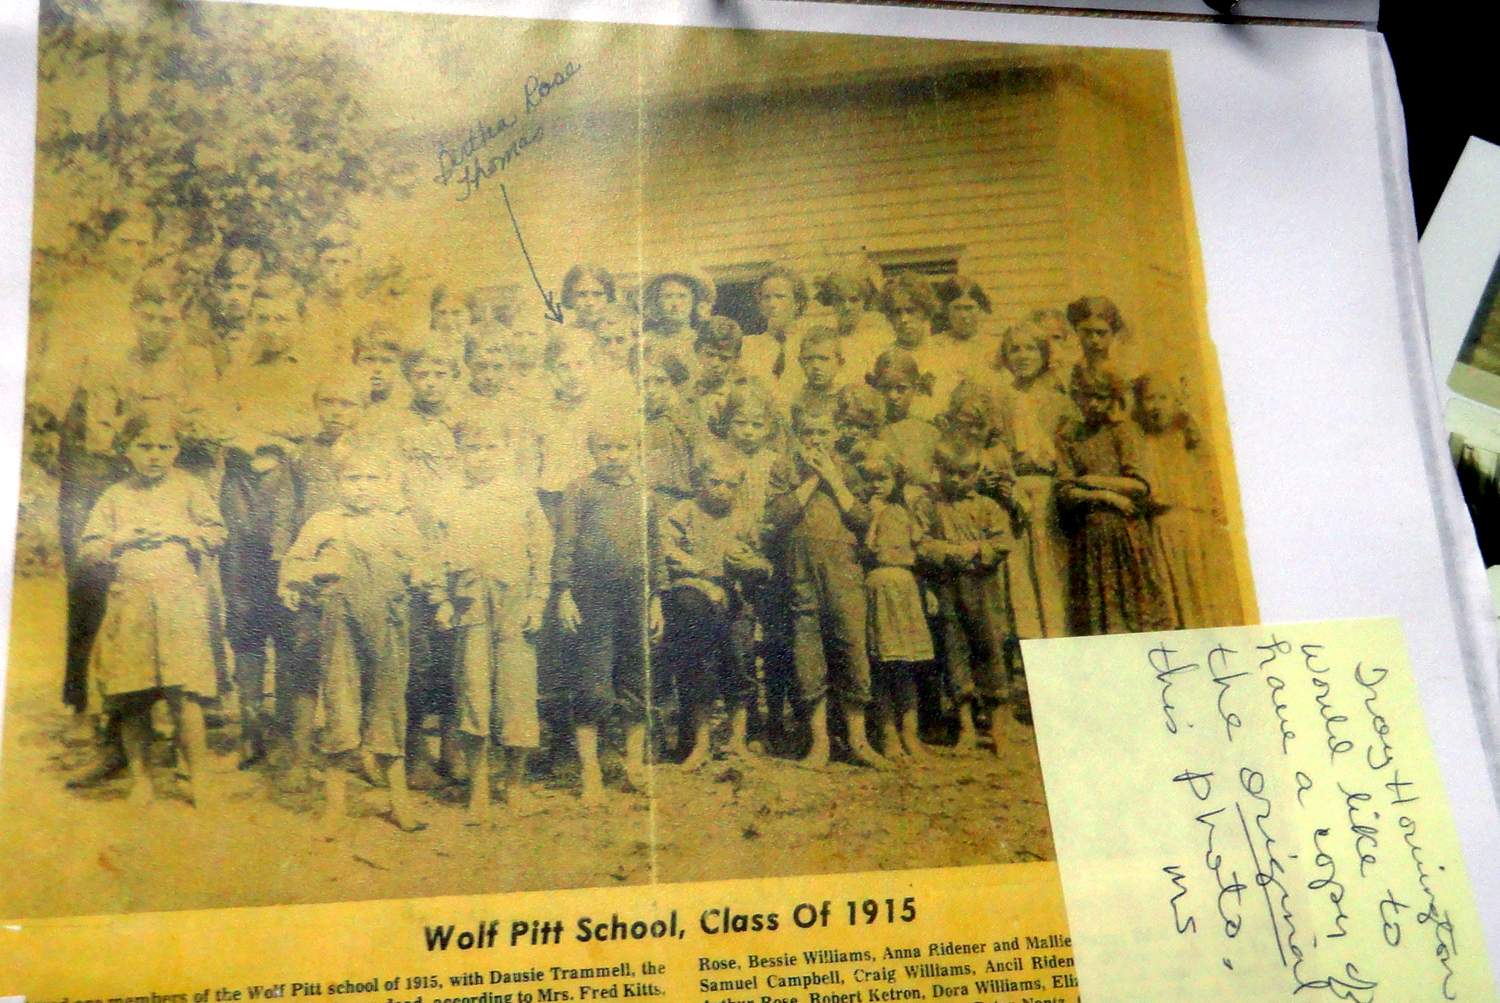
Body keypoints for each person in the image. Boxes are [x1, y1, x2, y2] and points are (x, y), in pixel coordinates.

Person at [279, 440, 438, 832]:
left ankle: (400, 803)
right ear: (338, 482)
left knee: (389, 707)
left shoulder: (398, 521)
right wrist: (317, 570)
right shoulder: (324, 521)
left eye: (372, 478)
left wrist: (419, 572)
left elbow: (425, 564)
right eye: (353, 478)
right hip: (339, 629)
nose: (362, 486)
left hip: (388, 624)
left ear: (388, 482)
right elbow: (291, 567)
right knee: (340, 707)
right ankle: (335, 808)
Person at [80, 407, 225, 807]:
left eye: (164, 446)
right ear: (127, 449)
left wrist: (184, 531)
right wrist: (120, 540)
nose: (154, 455)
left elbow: (217, 533)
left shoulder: (191, 488)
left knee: (185, 695)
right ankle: (141, 778)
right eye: (144, 447)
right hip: (131, 603)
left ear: (177, 450)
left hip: (179, 601)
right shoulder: (115, 496)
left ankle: (199, 778)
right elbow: (89, 549)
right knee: (133, 695)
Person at [765, 399, 887, 770]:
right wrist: (813, 479)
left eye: (822, 433)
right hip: (801, 573)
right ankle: (819, 743)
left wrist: (833, 478)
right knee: (808, 654)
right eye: (808, 433)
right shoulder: (785, 469)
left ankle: (858, 740)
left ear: (834, 434)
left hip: (844, 572)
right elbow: (778, 516)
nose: (815, 441)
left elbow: (864, 519)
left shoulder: (849, 471)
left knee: (851, 647)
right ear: (796, 435)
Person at [443, 419, 553, 822]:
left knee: (517, 692)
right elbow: (437, 551)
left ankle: (515, 784)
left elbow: (542, 550)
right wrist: (441, 598)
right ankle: (479, 788)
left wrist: (538, 601)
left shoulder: (521, 496)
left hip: (514, 602)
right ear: (460, 455)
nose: (483, 457)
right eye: (473, 449)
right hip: (470, 605)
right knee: (473, 691)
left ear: (507, 451)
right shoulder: (451, 496)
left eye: (491, 447)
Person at [553, 414, 665, 802]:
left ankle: (634, 765)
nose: (614, 456)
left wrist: (656, 599)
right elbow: (565, 543)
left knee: (636, 682)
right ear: (592, 451)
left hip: (635, 598)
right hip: (591, 599)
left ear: (635, 450)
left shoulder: (644, 494)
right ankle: (591, 773)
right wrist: (563, 592)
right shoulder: (579, 490)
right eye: (605, 448)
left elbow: (655, 551)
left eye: (622, 447)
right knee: (593, 685)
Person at [662, 451, 768, 769]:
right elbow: (664, 545)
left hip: (735, 598)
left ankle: (738, 739)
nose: (722, 490)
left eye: (730, 485)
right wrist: (697, 570)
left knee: (740, 663)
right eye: (715, 482)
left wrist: (751, 566)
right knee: (700, 667)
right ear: (699, 482)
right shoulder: (685, 511)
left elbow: (759, 558)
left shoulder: (744, 517)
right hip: (695, 594)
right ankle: (702, 742)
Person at [913, 440, 1022, 747]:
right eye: (949, 473)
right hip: (947, 586)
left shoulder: (988, 506)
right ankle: (965, 727)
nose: (955, 480)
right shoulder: (929, 505)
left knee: (990, 649)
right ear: (939, 471)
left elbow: (1003, 542)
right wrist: (947, 552)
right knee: (954, 650)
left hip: (983, 587)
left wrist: (976, 549)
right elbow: (919, 542)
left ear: (976, 473)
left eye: (963, 474)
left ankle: (997, 727)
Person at [1056, 368, 1175, 635]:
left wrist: (1092, 480)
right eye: (1087, 397)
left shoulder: (1124, 431)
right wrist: (1106, 496)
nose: (1093, 404)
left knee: (1136, 611)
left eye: (1101, 397)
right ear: (1077, 397)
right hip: (1089, 536)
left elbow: (1139, 486)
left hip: (1126, 534)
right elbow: (1065, 491)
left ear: (1112, 399)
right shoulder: (1069, 437)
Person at [1131, 373, 1240, 628]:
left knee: (1202, 596)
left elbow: (1212, 479)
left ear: (1175, 402)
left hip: (1194, 529)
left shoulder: (1189, 438)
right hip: (1161, 531)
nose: (1156, 405)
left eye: (1163, 398)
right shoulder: (1142, 442)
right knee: (1171, 602)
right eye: (1149, 399)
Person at [994, 319, 1076, 637]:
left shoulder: (1060, 400)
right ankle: (1027, 647)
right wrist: (1009, 486)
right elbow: (995, 447)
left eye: (1031, 348)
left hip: (1051, 490)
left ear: (1043, 354)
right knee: (1019, 571)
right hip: (1014, 489)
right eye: (1015, 349)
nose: (1023, 356)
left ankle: (1058, 637)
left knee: (1050, 568)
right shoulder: (1000, 400)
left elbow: (1070, 450)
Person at [853, 442, 934, 763]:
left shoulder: (905, 512)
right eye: (870, 479)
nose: (876, 485)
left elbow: (917, 553)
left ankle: (910, 733)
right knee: (883, 664)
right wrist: (871, 521)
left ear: (895, 480)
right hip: (876, 587)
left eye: (883, 478)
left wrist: (925, 588)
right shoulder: (862, 515)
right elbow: (868, 552)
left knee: (906, 664)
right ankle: (888, 733)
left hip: (903, 588)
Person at [869, 349, 941, 489]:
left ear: (915, 388)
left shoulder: (930, 433)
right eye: (884, 388)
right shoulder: (866, 428)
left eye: (901, 389)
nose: (892, 396)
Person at [739, 265, 810, 408]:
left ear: (798, 303)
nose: (772, 304)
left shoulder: (810, 344)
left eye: (780, 297)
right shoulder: (747, 345)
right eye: (766, 297)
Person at [813, 268, 888, 383]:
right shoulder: (827, 340)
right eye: (839, 300)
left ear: (864, 301)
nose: (847, 307)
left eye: (854, 300)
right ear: (832, 303)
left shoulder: (877, 340)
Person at [642, 268, 715, 374]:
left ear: (694, 301)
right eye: (667, 296)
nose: (675, 304)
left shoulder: (703, 339)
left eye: (682, 296)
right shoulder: (647, 341)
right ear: (657, 302)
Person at [560, 263, 615, 336]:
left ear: (608, 296)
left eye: (597, 294)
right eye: (582, 294)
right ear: (569, 297)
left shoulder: (625, 333)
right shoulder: (563, 337)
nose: (590, 302)